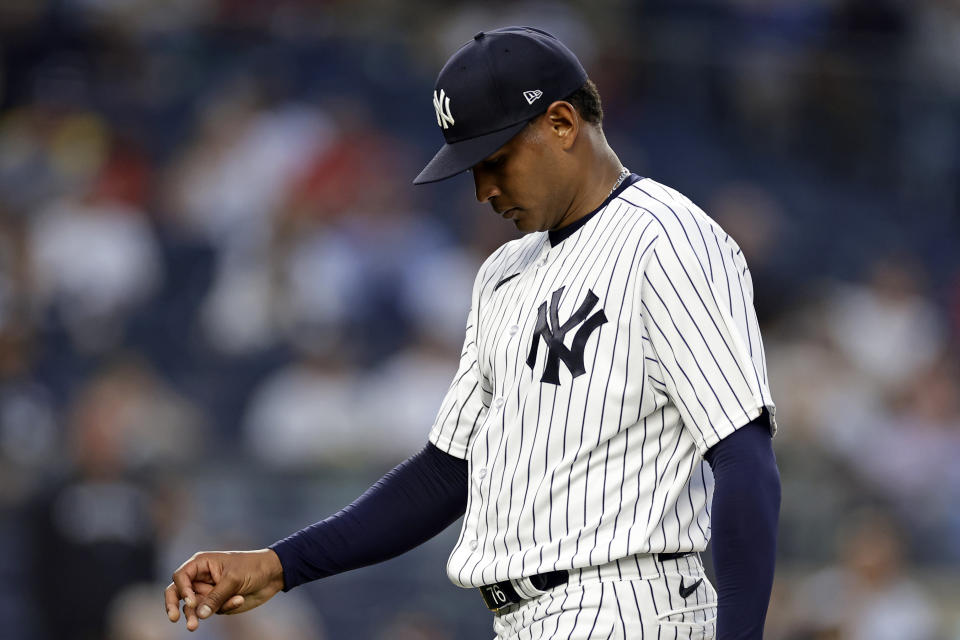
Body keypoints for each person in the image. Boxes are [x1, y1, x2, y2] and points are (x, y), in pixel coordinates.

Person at [165, 26, 781, 639]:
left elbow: (743, 458)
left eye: (495, 161)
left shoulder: (668, 238)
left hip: (628, 604)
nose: (483, 189)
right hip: (523, 617)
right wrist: (279, 564)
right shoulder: (502, 273)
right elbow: (444, 472)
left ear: (562, 124)